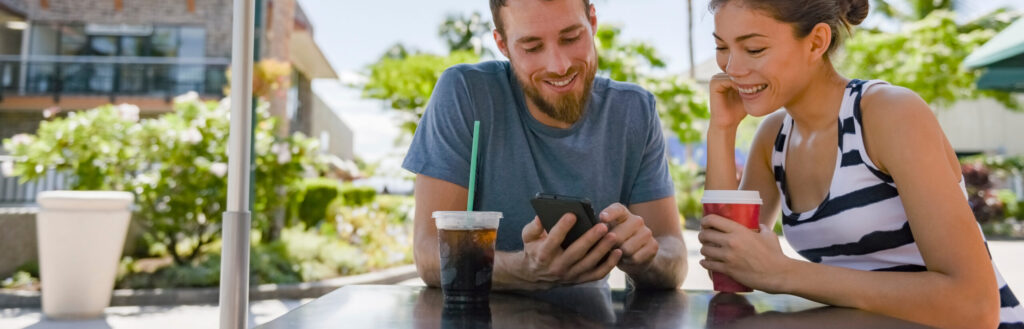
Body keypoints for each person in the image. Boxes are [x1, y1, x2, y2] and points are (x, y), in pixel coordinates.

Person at [697, 0, 1024, 328]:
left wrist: (785, 273)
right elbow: (728, 268)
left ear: (816, 42)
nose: (732, 68)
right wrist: (722, 131)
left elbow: (975, 307)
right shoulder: (774, 139)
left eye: (754, 49)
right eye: (721, 47)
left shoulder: (888, 115)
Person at [402, 0, 687, 290]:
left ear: (593, 23)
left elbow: (673, 257)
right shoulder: (466, 94)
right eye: (532, 46)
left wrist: (645, 257)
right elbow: (428, 254)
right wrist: (523, 270)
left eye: (571, 37)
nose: (559, 65)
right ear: (502, 44)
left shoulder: (634, 111)